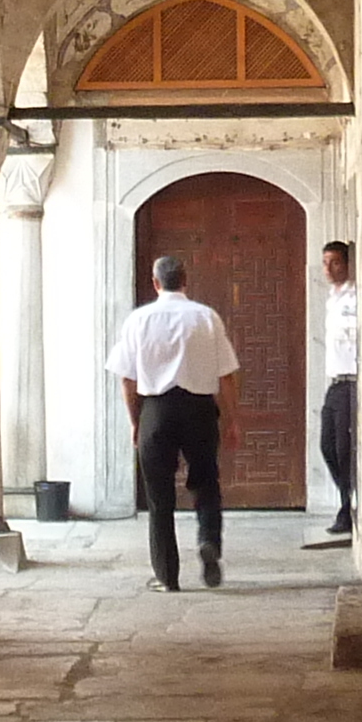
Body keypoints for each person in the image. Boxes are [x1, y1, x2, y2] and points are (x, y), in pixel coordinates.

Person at [104, 253, 242, 591]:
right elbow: (227, 376)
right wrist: (231, 418)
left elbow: (127, 379)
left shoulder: (138, 320)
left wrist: (137, 420)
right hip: (198, 409)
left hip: (157, 409)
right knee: (206, 483)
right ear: (186, 280)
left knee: (159, 496)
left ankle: (167, 575)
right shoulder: (205, 317)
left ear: (155, 282)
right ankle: (209, 540)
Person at [306, 238, 360, 548]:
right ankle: (347, 499)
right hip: (335, 381)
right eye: (325, 262)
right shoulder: (333, 297)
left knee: (343, 448)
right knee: (327, 446)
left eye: (335, 262)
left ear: (348, 264)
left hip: (352, 380)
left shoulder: (356, 296)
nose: (328, 269)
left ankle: (346, 508)